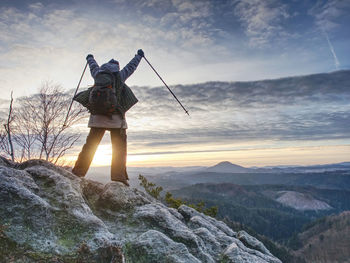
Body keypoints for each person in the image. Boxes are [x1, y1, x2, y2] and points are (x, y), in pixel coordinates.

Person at [72, 49, 144, 186]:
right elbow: (131, 66)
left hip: (97, 119)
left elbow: (92, 65)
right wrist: (139, 56)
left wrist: (89, 57)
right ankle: (118, 177)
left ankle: (78, 172)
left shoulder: (97, 73)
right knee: (119, 148)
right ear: (117, 67)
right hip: (116, 120)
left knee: (90, 146)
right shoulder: (119, 76)